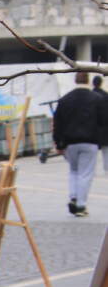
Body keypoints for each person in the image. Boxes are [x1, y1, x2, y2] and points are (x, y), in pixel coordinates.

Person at [54, 71, 107, 216]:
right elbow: (103, 121)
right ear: (88, 80)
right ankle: (81, 205)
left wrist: (58, 143)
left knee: (73, 171)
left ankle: (73, 196)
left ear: (75, 80)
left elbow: (58, 122)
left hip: (70, 142)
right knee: (85, 173)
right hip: (90, 141)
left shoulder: (65, 99)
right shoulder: (97, 99)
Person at [94, 76, 108, 173]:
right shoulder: (105, 95)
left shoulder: (90, 95)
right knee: (105, 150)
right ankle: (106, 168)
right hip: (105, 126)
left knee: (93, 150)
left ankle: (92, 169)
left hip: (93, 127)